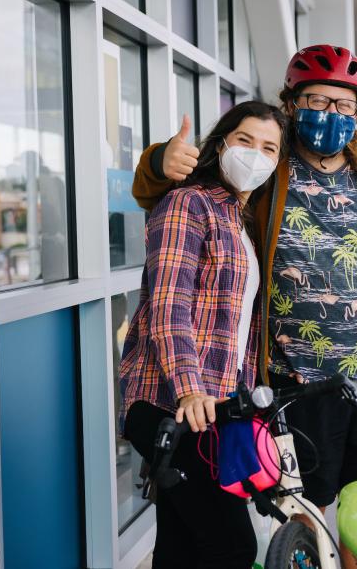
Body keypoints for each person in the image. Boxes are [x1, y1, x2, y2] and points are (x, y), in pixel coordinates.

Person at [132, 44, 357, 569]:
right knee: (306, 506)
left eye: (343, 106)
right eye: (317, 101)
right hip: (294, 378)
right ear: (293, 104)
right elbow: (181, 192)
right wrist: (157, 161)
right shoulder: (265, 167)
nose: (330, 115)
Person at [119, 101, 286, 569]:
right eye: (245, 141)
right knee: (232, 547)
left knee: (181, 544)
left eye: (269, 148)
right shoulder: (186, 203)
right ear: (220, 144)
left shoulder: (240, 217)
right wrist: (191, 390)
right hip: (172, 403)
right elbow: (169, 306)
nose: (256, 154)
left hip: (217, 404)